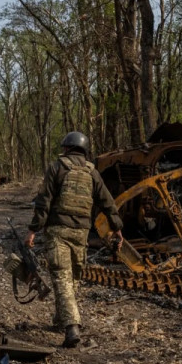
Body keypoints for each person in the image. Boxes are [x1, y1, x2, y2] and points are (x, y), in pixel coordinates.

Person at [26, 131, 124, 348]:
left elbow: (44, 202)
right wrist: (117, 228)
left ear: (67, 148)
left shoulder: (56, 168)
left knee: (63, 278)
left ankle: (71, 329)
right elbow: (108, 202)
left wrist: (33, 230)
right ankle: (62, 320)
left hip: (58, 231)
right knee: (72, 279)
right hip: (81, 233)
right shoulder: (92, 173)